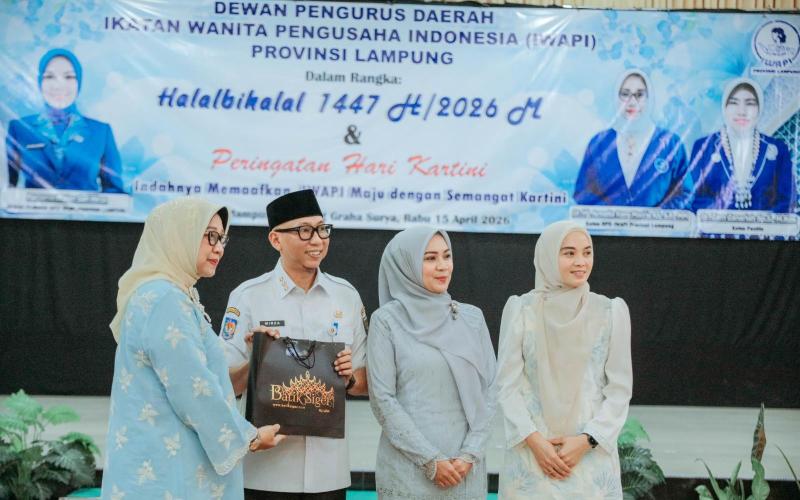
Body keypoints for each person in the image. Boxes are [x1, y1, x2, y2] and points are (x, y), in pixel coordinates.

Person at [101, 197, 283, 499]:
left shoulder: (165, 294)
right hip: (170, 476)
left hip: (158, 467)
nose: (219, 248)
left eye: (222, 238)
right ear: (178, 235)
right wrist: (247, 438)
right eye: (209, 236)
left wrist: (255, 358)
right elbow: (193, 389)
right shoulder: (166, 300)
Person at [222, 189, 368, 500]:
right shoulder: (248, 297)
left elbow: (365, 382)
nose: (317, 240)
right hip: (265, 472)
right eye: (304, 230)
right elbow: (224, 385)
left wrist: (349, 378)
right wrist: (255, 361)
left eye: (322, 229)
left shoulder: (346, 296)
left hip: (328, 471)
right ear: (276, 239)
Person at [496, 220, 632, 499]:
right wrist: (536, 443)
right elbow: (506, 386)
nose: (581, 261)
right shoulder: (522, 310)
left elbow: (619, 390)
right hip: (531, 457)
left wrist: (587, 441)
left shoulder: (610, 312)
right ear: (547, 256)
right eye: (569, 253)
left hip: (590, 459)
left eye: (587, 252)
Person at [367, 227, 497, 499]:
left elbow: (491, 391)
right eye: (429, 258)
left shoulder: (472, 318)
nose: (442, 266)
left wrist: (470, 453)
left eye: (447, 256)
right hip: (409, 470)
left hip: (465, 470)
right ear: (406, 266)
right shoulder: (387, 321)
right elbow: (383, 399)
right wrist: (430, 460)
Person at [5, 48, 125, 192]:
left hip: (86, 207)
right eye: (49, 77)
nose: (59, 85)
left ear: (79, 83)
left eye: (69, 77)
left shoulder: (100, 132)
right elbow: (6, 187)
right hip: (32, 208)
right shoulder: (20, 128)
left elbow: (115, 190)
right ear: (40, 82)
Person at [574, 69, 691, 208]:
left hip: (657, 223)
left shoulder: (670, 143)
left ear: (649, 99)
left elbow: (685, 194)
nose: (632, 102)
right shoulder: (600, 143)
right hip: (606, 223)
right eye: (625, 94)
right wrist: (613, 215)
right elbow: (583, 193)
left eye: (639, 95)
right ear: (616, 98)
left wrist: (655, 217)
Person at [688, 78, 795, 213]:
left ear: (759, 108)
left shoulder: (778, 148)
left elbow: (787, 200)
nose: (742, 111)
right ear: (724, 107)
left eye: (750, 104)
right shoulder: (704, 146)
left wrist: (757, 221)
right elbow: (694, 198)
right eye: (734, 103)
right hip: (714, 226)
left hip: (764, 226)